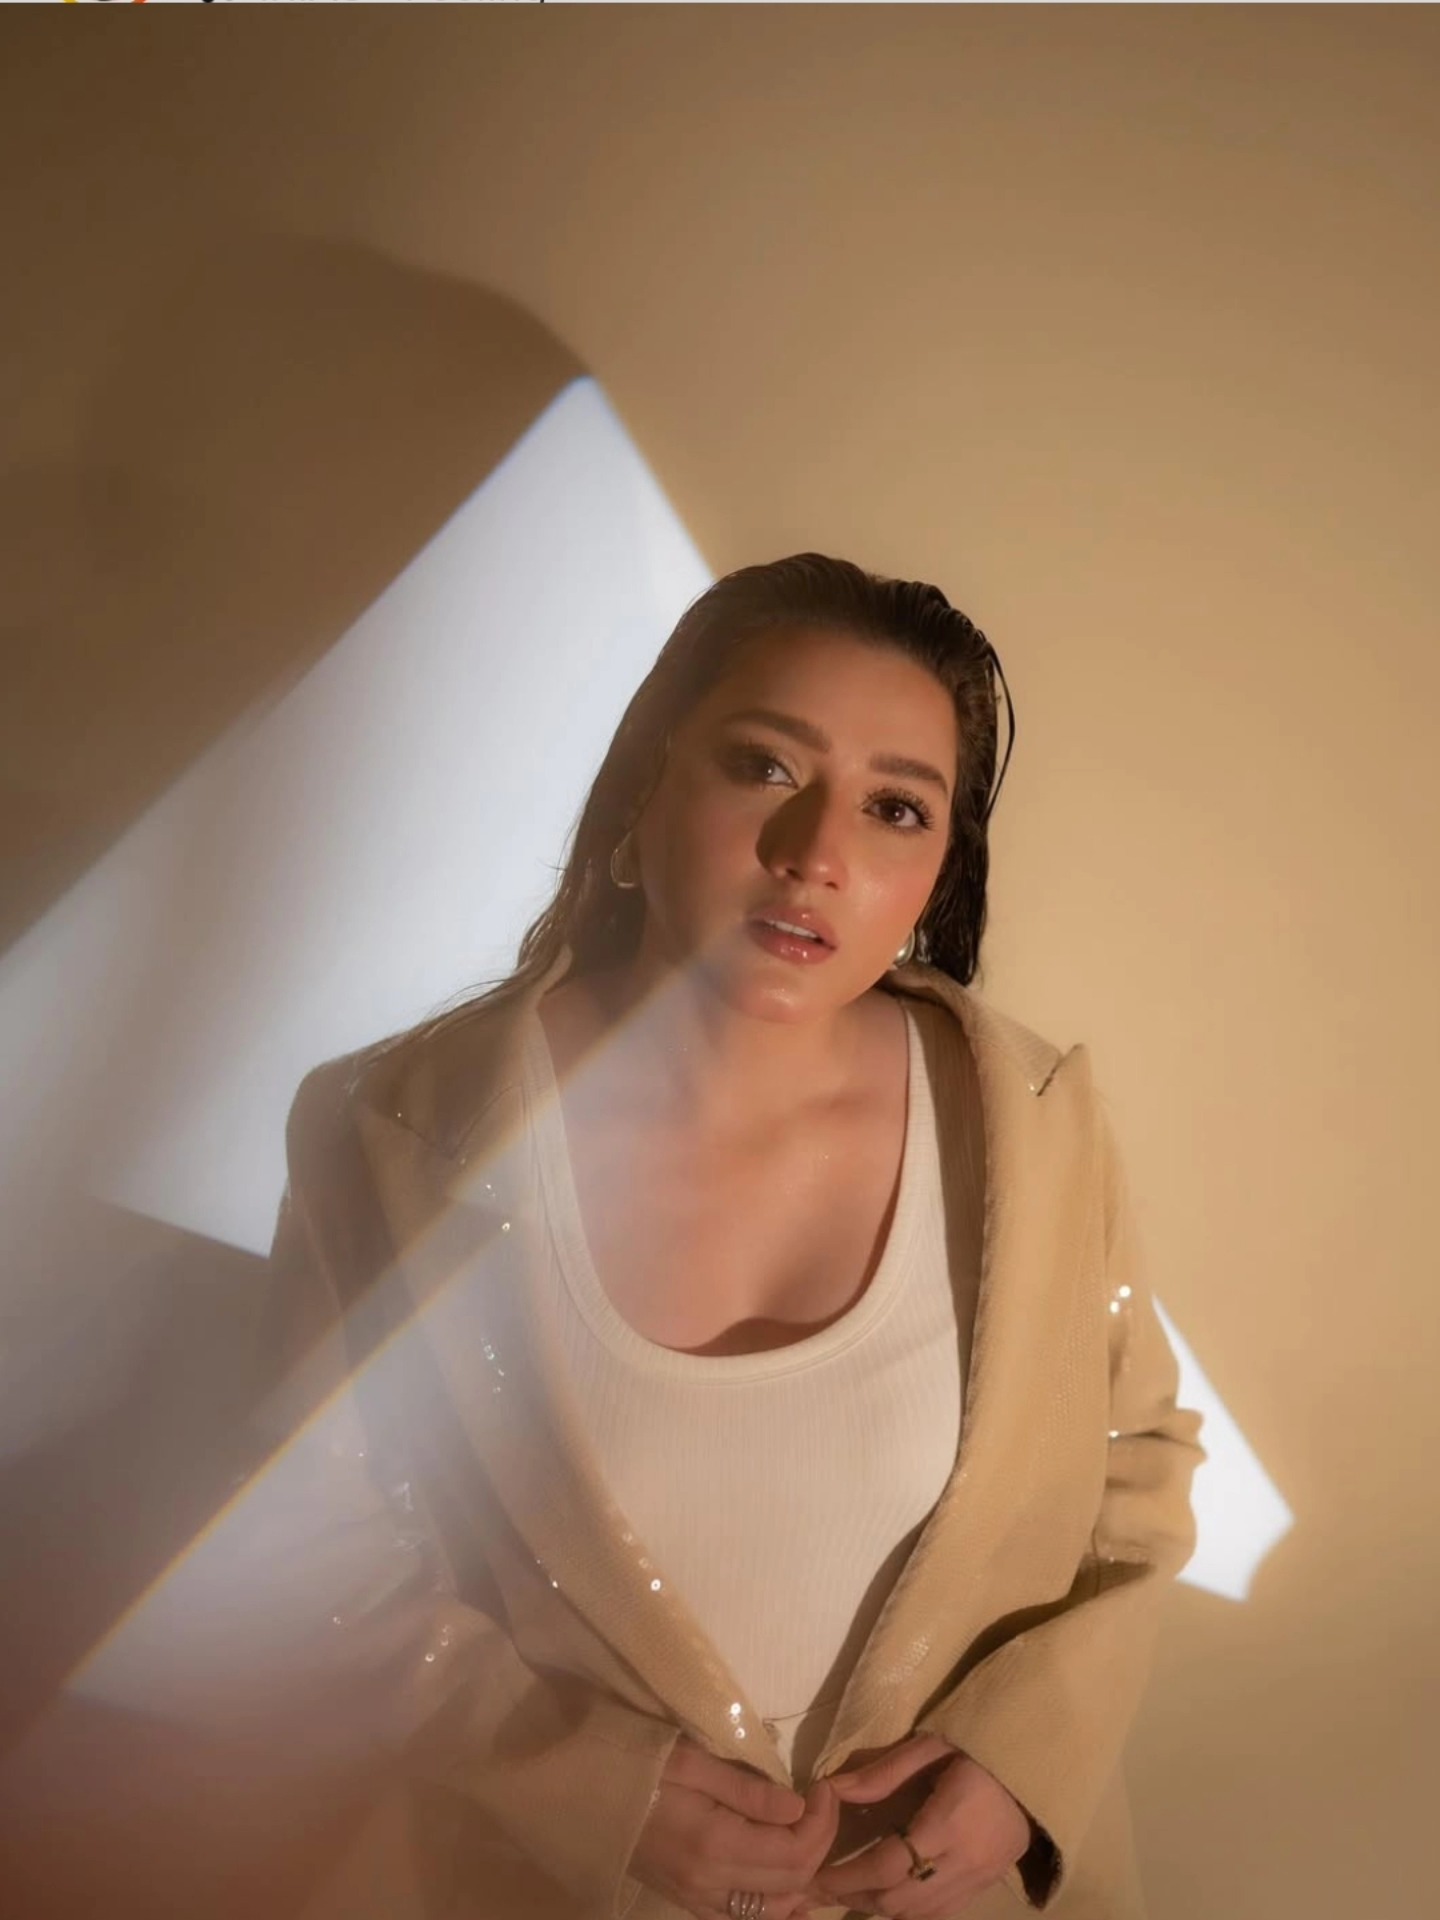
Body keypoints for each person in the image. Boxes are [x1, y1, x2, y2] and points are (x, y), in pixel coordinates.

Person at [251, 554, 1203, 1920]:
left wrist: (1022, 1759)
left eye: (895, 806)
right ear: (641, 791)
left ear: (939, 871)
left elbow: (1137, 1473)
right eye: (765, 765)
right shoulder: (389, 1133)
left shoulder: (1036, 1127)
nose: (817, 852)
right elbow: (306, 1534)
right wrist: (584, 1790)